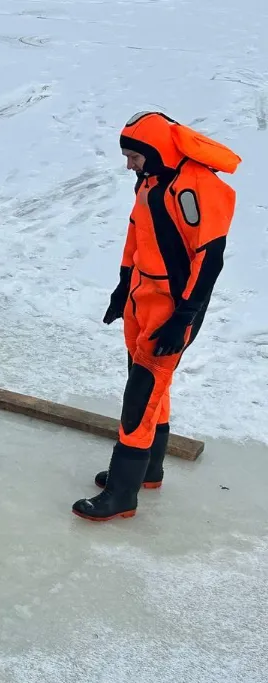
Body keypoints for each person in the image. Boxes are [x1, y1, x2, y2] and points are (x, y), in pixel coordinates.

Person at [72, 111, 240, 522]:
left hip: (171, 305)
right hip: (140, 296)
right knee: (147, 382)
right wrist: (121, 287)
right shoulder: (151, 182)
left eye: (133, 156)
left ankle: (121, 493)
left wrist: (184, 316)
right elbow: (136, 235)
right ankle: (149, 470)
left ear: (154, 151)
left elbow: (209, 259)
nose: (129, 164)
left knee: (142, 391)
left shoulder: (195, 188)